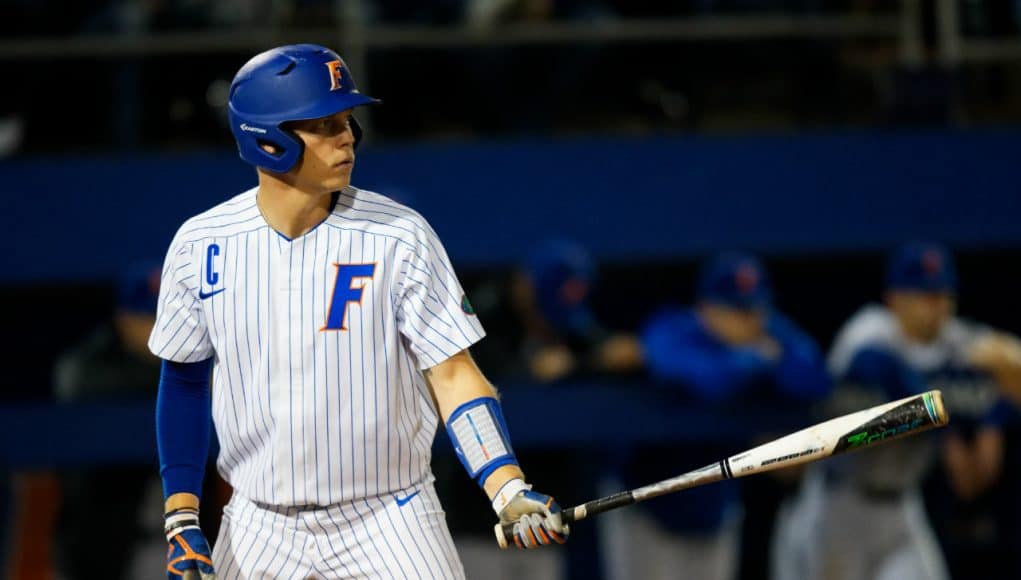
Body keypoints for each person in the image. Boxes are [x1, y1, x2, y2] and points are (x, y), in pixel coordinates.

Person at [151, 44, 568, 579]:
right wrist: (182, 518)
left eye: (347, 121)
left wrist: (506, 486)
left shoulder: (400, 234)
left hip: (389, 518)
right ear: (267, 138)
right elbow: (184, 381)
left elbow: (454, 373)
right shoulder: (201, 243)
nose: (347, 136)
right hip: (259, 525)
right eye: (324, 125)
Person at [772, 241, 1021, 580]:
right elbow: (875, 366)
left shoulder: (953, 339)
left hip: (902, 505)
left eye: (943, 295)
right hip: (839, 504)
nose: (937, 307)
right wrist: (944, 411)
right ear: (894, 299)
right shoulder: (870, 329)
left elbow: (1005, 357)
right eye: (923, 296)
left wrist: (994, 405)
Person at [605, 252, 830, 580]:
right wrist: (757, 359)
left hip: (714, 512)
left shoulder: (768, 330)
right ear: (707, 308)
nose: (752, 321)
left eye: (756, 309)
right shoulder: (673, 328)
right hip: (648, 509)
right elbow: (706, 380)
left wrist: (757, 358)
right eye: (738, 311)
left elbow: (815, 378)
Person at [52, 262, 165, 580]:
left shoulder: (205, 353)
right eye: (149, 318)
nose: (158, 330)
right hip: (107, 547)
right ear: (123, 317)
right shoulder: (90, 367)